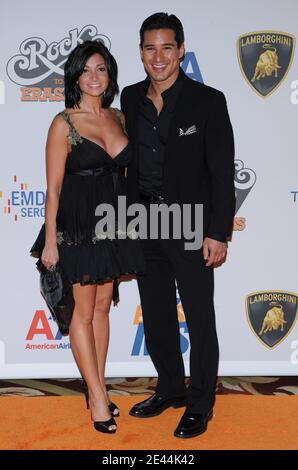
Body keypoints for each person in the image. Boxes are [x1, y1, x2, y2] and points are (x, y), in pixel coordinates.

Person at [121, 13, 235, 438]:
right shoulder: (130, 98)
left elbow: (222, 173)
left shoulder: (208, 101)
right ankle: (170, 387)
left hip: (191, 225)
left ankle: (201, 402)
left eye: (167, 47)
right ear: (141, 53)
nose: (158, 56)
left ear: (181, 50)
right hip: (143, 223)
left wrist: (218, 232)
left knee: (200, 317)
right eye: (150, 48)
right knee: (156, 315)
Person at [30, 40, 145, 434]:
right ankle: (96, 396)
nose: (94, 77)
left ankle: (99, 384)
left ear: (110, 74)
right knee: (82, 310)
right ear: (75, 76)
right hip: (77, 226)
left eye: (101, 69)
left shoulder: (119, 117)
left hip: (114, 223)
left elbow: (128, 176)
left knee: (101, 309)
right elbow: (54, 188)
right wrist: (50, 240)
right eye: (86, 70)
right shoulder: (64, 122)